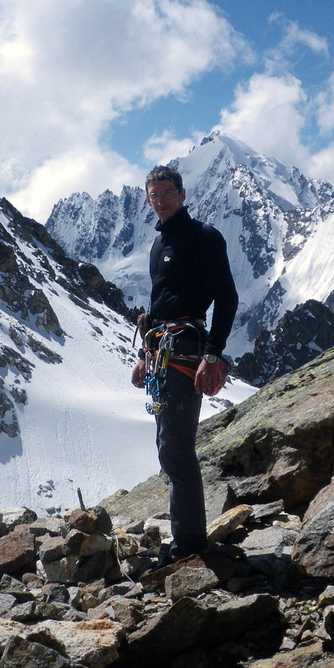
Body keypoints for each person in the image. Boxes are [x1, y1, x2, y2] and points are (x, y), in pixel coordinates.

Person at [130, 164, 238, 563]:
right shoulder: (160, 246)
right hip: (163, 348)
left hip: (184, 350)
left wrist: (213, 354)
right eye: (153, 195)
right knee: (169, 444)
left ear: (183, 194)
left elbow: (226, 298)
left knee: (176, 447)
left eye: (166, 193)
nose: (159, 202)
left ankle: (190, 543)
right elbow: (160, 307)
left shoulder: (203, 238)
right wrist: (144, 355)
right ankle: (187, 537)